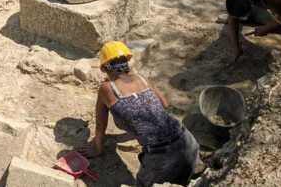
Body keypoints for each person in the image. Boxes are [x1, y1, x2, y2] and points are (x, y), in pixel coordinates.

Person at [82, 41, 200, 187]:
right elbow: (164, 104)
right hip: (187, 142)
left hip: (161, 156)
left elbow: (100, 125)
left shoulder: (106, 89)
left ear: (105, 68)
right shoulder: (141, 79)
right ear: (127, 63)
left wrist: (98, 147)